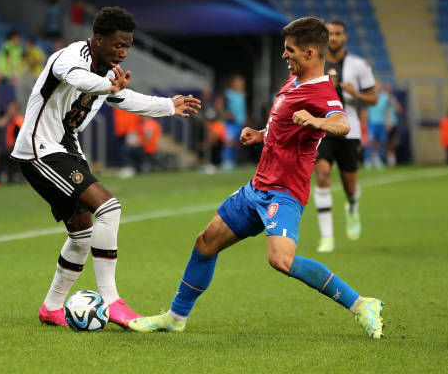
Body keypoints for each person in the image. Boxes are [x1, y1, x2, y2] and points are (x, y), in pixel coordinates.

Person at [128, 17, 384, 339]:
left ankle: (361, 304)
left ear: (309, 53)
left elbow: (342, 123)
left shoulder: (321, 91)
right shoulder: (293, 81)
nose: (284, 55)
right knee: (205, 243)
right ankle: (175, 318)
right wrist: (262, 134)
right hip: (257, 188)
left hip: (284, 193)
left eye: (290, 50)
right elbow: (284, 125)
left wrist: (317, 122)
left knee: (281, 260)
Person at [9, 6, 201, 329]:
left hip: (67, 149)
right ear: (98, 39)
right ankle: (111, 302)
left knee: (82, 234)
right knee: (109, 208)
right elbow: (78, 79)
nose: (123, 53)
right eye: (118, 45)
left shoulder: (109, 73)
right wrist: (107, 86)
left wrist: (169, 105)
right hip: (40, 150)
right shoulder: (69, 58)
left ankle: (52, 308)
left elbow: (126, 99)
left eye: (128, 46)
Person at [314, 19, 377, 253]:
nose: (333, 38)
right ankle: (327, 237)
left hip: (349, 130)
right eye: (330, 34)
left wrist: (355, 93)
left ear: (345, 37)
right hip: (322, 129)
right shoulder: (315, 63)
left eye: (338, 34)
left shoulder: (359, 65)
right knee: (322, 175)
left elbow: (373, 98)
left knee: (350, 186)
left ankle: (352, 206)